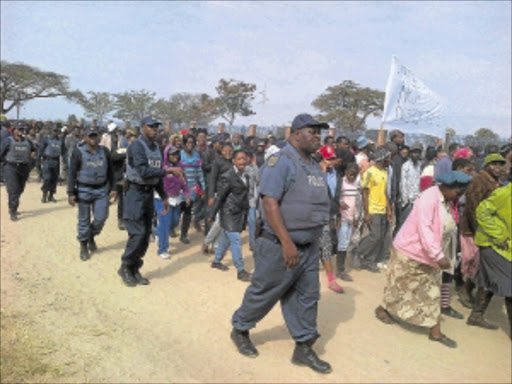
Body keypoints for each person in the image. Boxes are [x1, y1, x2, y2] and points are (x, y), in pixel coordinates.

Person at [230, 113, 332, 374]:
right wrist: (287, 243)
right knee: (266, 291)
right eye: (312, 132)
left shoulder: (312, 163)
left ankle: (304, 347)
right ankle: (241, 328)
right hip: (280, 245)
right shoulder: (281, 161)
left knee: (308, 296)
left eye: (319, 132)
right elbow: (269, 202)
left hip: (309, 246)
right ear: (296, 134)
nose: (317, 136)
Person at [375, 171, 472, 348]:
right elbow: (424, 228)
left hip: (430, 254)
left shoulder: (447, 200)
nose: (458, 197)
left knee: (431, 293)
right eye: (457, 193)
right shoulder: (428, 198)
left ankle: (435, 331)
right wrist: (438, 255)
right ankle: (383, 309)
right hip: (410, 251)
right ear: (447, 187)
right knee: (399, 286)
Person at [118, 117, 180, 287]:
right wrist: (169, 171)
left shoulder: (157, 148)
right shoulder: (137, 146)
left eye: (156, 127)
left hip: (148, 194)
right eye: (151, 127)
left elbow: (156, 174)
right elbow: (144, 171)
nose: (154, 129)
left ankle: (135, 267)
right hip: (135, 193)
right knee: (137, 233)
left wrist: (164, 195)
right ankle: (125, 267)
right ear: (142, 128)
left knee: (145, 235)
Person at [460, 153, 506, 327]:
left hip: (486, 231)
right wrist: (481, 231)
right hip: (475, 229)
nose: (498, 167)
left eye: (500, 164)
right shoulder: (480, 181)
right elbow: (473, 207)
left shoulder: (495, 182)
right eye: (494, 164)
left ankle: (470, 297)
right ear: (487, 165)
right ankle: (464, 290)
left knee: (480, 266)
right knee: (472, 262)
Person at [68, 126, 116, 261]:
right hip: (83, 189)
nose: (93, 138)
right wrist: (71, 192)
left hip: (101, 189)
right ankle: (83, 245)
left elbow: (110, 172)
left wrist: (113, 187)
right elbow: (72, 173)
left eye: (95, 136)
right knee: (84, 219)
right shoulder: (78, 152)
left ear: (99, 136)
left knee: (101, 217)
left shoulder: (105, 152)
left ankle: (91, 236)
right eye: (90, 136)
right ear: (85, 137)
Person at [473, 182, 511, 336]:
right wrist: (498, 234)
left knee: (490, 281)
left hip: (504, 247)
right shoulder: (504, 193)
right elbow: (482, 211)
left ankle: (476, 315)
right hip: (493, 245)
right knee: (509, 286)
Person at [208, 150, 252, 281]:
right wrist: (212, 214)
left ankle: (216, 261)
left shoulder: (246, 176)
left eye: (244, 159)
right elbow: (220, 197)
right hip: (229, 212)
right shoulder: (228, 176)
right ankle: (241, 270)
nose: (242, 162)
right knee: (236, 240)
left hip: (239, 212)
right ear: (233, 161)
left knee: (225, 239)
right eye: (239, 159)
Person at [352, 147, 392, 272]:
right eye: (388, 159)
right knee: (375, 236)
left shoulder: (385, 173)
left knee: (380, 237)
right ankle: (358, 251)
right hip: (372, 209)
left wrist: (389, 209)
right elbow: (365, 193)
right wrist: (367, 213)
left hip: (382, 209)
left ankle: (369, 261)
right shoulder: (369, 172)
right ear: (383, 160)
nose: (389, 161)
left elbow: (384, 192)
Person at [155, 146, 190, 259]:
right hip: (163, 199)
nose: (174, 157)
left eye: (176, 154)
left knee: (174, 221)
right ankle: (162, 249)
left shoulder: (181, 167)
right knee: (165, 224)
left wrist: (187, 194)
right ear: (167, 155)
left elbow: (184, 182)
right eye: (172, 154)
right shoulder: (162, 168)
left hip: (176, 198)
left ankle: (157, 231)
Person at [0, 122, 36, 221]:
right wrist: (6, 162)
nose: (20, 131)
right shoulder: (8, 141)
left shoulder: (27, 141)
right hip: (11, 168)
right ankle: (13, 211)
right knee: (14, 190)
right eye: (18, 129)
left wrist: (32, 155)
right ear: (14, 130)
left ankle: (12, 205)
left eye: (22, 129)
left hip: (23, 168)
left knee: (20, 189)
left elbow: (33, 150)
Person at [179, 134, 206, 244]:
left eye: (192, 143)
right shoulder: (179, 155)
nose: (190, 145)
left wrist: (203, 187)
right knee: (176, 213)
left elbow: (199, 173)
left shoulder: (196, 156)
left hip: (192, 190)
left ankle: (183, 234)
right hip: (179, 188)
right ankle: (170, 228)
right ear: (184, 143)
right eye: (188, 142)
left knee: (187, 212)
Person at [336, 162, 360, 281]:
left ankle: (340, 268)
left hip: (351, 217)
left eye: (354, 175)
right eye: (350, 174)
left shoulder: (356, 184)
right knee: (343, 243)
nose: (352, 177)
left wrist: (356, 217)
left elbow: (355, 202)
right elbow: (336, 198)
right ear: (346, 172)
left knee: (347, 242)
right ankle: (340, 270)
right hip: (343, 217)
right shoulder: (341, 183)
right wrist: (339, 205)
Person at [396, 143, 423, 231]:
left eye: (418, 153)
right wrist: (405, 201)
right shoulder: (406, 166)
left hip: (417, 201)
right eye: (414, 153)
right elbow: (403, 184)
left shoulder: (419, 166)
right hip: (407, 202)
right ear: (410, 153)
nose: (416, 155)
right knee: (404, 226)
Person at [38, 124, 65, 203]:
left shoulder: (61, 140)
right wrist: (38, 160)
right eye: (54, 131)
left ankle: (51, 195)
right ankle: (44, 194)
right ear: (51, 131)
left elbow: (64, 151)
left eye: (57, 131)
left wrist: (65, 161)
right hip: (47, 161)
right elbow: (41, 150)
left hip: (56, 161)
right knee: (47, 178)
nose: (55, 133)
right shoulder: (46, 139)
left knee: (54, 179)